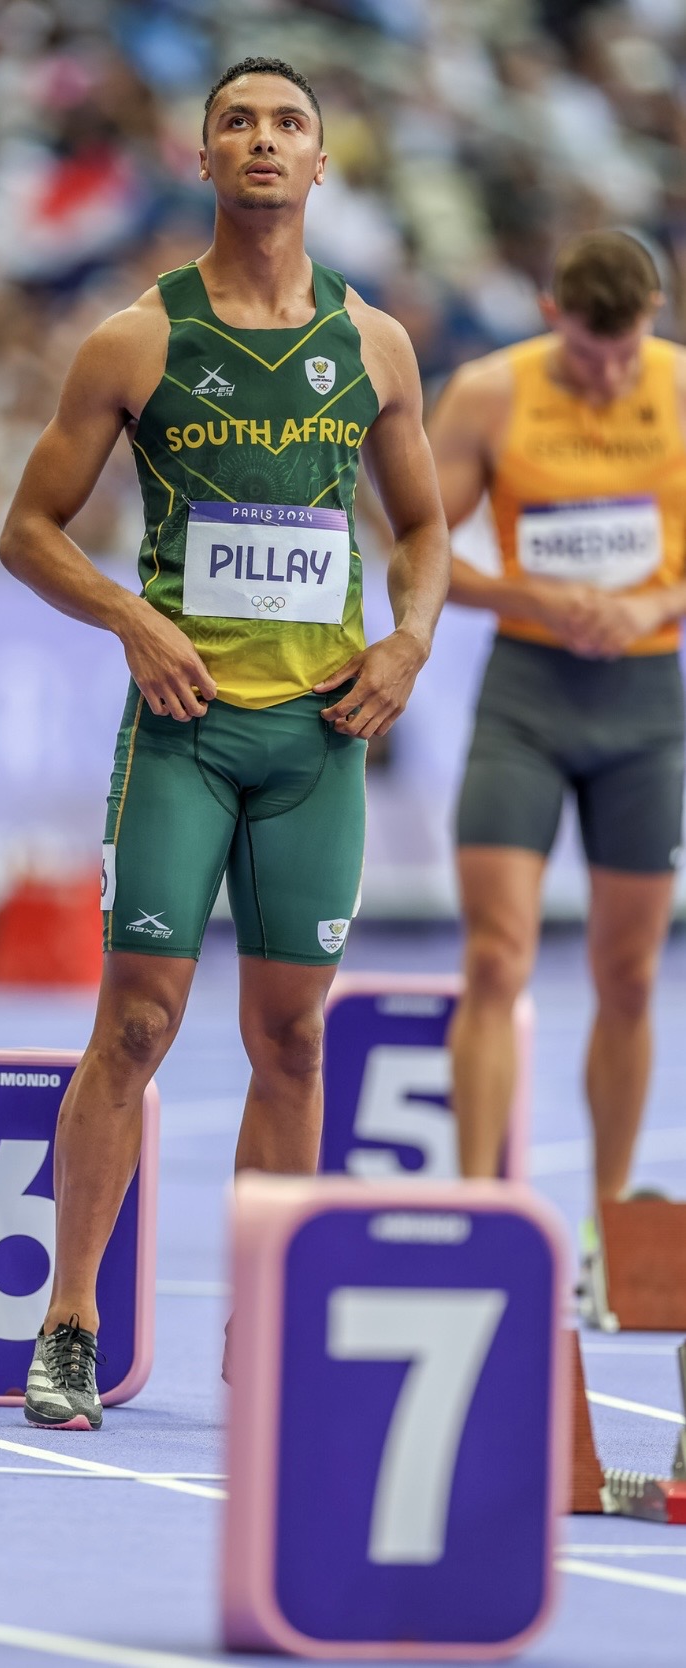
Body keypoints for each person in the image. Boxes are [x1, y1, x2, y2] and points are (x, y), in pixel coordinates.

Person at [0, 56, 450, 1430]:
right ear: (201, 159)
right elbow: (26, 532)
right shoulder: (135, 341)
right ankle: (69, 1323)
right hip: (185, 735)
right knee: (134, 1022)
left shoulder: (375, 344)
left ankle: (270, 1329)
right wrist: (131, 619)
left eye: (288, 123)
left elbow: (426, 528)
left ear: (320, 162)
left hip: (318, 739)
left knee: (294, 1042)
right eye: (237, 122)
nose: (263, 139)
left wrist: (410, 640)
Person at [429, 230, 686, 1218]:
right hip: (527, 702)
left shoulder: (678, 388)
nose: (609, 376)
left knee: (629, 975)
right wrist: (527, 595)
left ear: (655, 314)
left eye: (626, 354)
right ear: (550, 316)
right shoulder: (490, 393)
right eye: (587, 354)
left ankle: (611, 1220)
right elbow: (419, 547)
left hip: (645, 708)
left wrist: (654, 603)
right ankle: (475, 1206)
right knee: (496, 957)